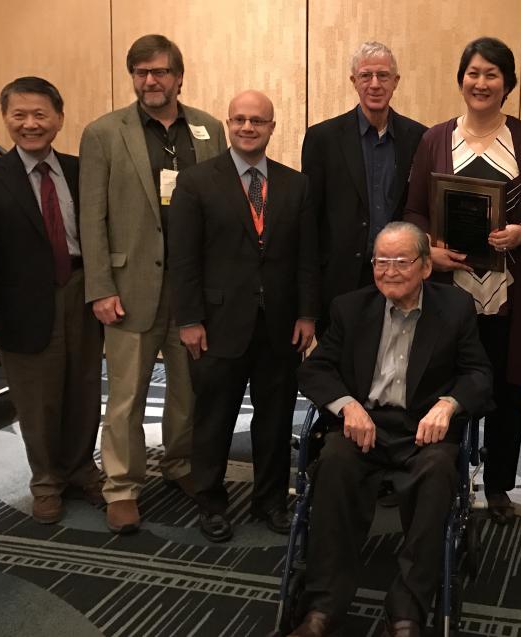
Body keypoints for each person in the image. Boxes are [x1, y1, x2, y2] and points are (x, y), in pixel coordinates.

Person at [290, 222, 492, 637]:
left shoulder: (455, 308)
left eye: (402, 261)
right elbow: (315, 370)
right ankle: (322, 609)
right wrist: (347, 406)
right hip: (364, 425)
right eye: (381, 261)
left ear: (424, 268)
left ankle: (406, 612)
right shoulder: (350, 308)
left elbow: (479, 374)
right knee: (332, 464)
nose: (390, 270)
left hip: (425, 431)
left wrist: (448, 404)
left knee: (437, 473)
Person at [403, 36, 521, 524]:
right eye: (473, 72)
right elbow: (413, 210)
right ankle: (441, 476)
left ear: (508, 83)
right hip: (450, 295)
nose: (481, 82)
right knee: (445, 389)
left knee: (507, 395)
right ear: (461, 80)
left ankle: (499, 487)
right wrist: (432, 251)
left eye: (492, 74)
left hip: (510, 294)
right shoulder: (435, 139)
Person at [79, 34, 226, 534]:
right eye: (141, 72)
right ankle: (121, 485)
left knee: (188, 390)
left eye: (160, 71)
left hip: (192, 292)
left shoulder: (209, 129)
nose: (151, 81)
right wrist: (99, 286)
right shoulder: (104, 133)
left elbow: (221, 211)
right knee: (125, 396)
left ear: (179, 76)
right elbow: (91, 217)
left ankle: (180, 463)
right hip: (128, 286)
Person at [168, 90, 318, 542]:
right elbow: (184, 259)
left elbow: (307, 259)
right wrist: (189, 319)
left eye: (258, 121)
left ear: (273, 127)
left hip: (279, 325)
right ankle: (210, 502)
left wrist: (308, 313)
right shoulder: (196, 182)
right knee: (213, 419)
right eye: (239, 120)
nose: (248, 127)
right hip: (215, 326)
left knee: (274, 420)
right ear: (227, 125)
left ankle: (270, 500)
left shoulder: (296, 185)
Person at [0, 77, 103, 524]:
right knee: (37, 400)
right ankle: (46, 481)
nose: (29, 124)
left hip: (81, 293)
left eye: (39, 114)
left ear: (59, 118)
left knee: (83, 389)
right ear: (5, 119)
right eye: (18, 115)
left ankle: (81, 468)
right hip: (23, 306)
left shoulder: (83, 171)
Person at [301, 41, 426, 335]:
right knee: (343, 368)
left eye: (383, 76)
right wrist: (308, 300)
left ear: (395, 82)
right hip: (340, 280)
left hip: (400, 275)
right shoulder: (323, 139)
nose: (374, 84)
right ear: (353, 81)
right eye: (365, 75)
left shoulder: (419, 137)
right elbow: (309, 221)